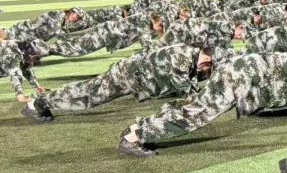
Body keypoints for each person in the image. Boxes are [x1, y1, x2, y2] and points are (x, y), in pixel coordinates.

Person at [117, 53, 287, 156]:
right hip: (237, 80)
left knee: (194, 105)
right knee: (196, 115)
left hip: (234, 70)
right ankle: (136, 137)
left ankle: (138, 127)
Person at [22, 44, 214, 121]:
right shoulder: (183, 59)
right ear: (206, 59)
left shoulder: (190, 53)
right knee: (88, 95)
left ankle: (42, 102)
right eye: (208, 67)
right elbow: (185, 88)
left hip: (131, 76)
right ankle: (38, 104)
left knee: (88, 91)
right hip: (125, 76)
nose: (206, 71)